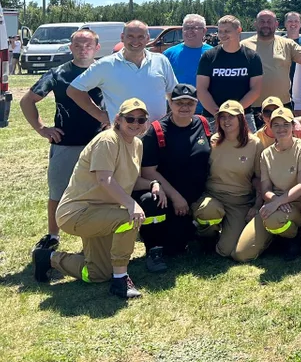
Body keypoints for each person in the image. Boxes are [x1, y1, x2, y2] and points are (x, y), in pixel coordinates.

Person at [33, 98, 150, 299]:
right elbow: (104, 179)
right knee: (129, 218)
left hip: (103, 214)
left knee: (97, 274)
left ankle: (48, 258)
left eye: (141, 120)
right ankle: (121, 281)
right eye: (130, 118)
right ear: (118, 119)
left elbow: (129, 180)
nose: (135, 123)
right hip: (78, 214)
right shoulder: (108, 140)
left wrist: (153, 185)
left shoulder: (137, 144)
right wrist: (131, 204)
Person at [21, 28, 105, 252]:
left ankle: (101, 234)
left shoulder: (107, 71)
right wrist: (42, 129)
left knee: (104, 191)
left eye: (88, 45)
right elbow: (27, 101)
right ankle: (53, 235)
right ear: (70, 48)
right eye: (77, 45)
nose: (83, 49)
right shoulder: (57, 73)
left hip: (102, 143)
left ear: (97, 47)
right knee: (58, 192)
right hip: (66, 143)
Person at [136, 84, 212, 272]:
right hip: (169, 198)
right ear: (170, 103)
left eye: (190, 103)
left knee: (181, 245)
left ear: (197, 105)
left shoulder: (202, 123)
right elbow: (148, 171)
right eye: (179, 103)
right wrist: (175, 197)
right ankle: (153, 249)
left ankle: (197, 232)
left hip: (196, 195)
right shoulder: (156, 130)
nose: (184, 107)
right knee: (149, 201)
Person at [234, 108, 301, 262]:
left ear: (293, 125)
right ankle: (276, 237)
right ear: (270, 127)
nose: (281, 128)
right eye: (276, 125)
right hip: (273, 204)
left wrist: (278, 202)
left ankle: (293, 237)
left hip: (297, 204)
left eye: (286, 124)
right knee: (242, 254)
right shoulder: (266, 154)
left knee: (274, 221)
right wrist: (274, 202)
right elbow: (265, 189)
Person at [192, 100, 263, 259]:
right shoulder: (213, 140)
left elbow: (259, 178)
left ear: (241, 119)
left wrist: (257, 205)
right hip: (213, 195)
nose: (226, 121)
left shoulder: (255, 143)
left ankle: (222, 235)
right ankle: (205, 236)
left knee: (226, 250)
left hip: (239, 201)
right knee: (209, 211)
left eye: (231, 117)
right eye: (222, 117)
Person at [68, 20, 177, 124]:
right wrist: (99, 115)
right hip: (122, 137)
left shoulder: (161, 60)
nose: (135, 41)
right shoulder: (105, 64)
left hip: (157, 135)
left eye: (141, 37)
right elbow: (74, 90)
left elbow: (173, 93)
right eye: (130, 36)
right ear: (122, 37)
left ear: (148, 38)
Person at [241, 10, 301, 128]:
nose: (265, 24)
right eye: (262, 21)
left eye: (269, 21)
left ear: (276, 24)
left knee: (284, 142)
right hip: (253, 106)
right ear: (256, 24)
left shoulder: (287, 44)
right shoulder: (244, 46)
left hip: (282, 105)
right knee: (257, 144)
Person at [196, 15, 262, 132]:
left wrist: (234, 112)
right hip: (213, 116)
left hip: (243, 115)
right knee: (213, 150)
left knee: (249, 149)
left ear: (239, 30)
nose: (222, 34)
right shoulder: (208, 56)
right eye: (220, 31)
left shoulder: (252, 57)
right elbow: (201, 89)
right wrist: (219, 114)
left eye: (227, 31)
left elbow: (255, 90)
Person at [163, 14, 214, 114]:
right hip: (177, 111)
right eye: (186, 28)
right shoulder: (169, 54)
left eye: (195, 28)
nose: (190, 31)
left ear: (204, 31)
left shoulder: (213, 53)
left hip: (206, 111)